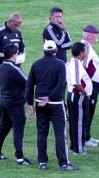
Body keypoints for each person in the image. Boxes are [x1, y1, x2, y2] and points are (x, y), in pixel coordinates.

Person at [26, 40, 78, 171]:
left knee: (42, 133)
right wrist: (49, 98)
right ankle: (63, 163)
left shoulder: (36, 64)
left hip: (40, 103)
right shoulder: (60, 65)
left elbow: (30, 85)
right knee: (60, 133)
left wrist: (30, 103)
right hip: (55, 103)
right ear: (55, 51)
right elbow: (61, 85)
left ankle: (42, 162)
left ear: (44, 51)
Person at [0, 44, 33, 165]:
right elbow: (27, 82)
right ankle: (20, 157)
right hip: (15, 103)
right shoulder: (14, 68)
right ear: (14, 55)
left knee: (3, 127)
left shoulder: (1, 67)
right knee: (18, 128)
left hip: (4, 101)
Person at [0, 13, 26, 133]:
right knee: (6, 94)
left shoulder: (17, 33)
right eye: (15, 25)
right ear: (9, 22)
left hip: (16, 67)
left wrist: (21, 55)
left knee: (22, 91)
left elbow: (22, 46)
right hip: (3, 68)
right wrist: (7, 57)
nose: (17, 28)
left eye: (19, 25)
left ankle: (13, 119)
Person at [81, 24, 99, 148]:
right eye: (96, 34)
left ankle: (87, 135)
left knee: (90, 110)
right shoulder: (86, 47)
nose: (98, 36)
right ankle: (85, 138)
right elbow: (84, 66)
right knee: (88, 111)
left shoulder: (86, 46)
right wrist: (87, 84)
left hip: (93, 85)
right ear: (89, 35)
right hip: (91, 86)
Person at [66, 42, 92, 155]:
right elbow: (76, 83)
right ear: (81, 53)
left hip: (74, 95)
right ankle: (79, 148)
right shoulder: (76, 63)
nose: (86, 53)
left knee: (74, 122)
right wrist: (85, 93)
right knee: (79, 123)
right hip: (78, 96)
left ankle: (74, 146)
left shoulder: (73, 62)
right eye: (85, 51)